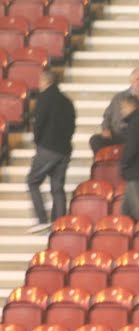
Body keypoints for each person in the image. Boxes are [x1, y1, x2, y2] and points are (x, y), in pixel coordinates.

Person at [26, 72, 75, 232]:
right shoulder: (67, 101)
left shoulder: (44, 98)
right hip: (65, 149)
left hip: (48, 148)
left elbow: (38, 123)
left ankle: (42, 220)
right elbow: (72, 126)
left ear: (45, 81)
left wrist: (38, 141)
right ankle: (60, 224)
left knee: (33, 181)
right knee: (57, 187)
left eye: (39, 80)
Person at [90, 68, 139, 153]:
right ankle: (102, 165)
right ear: (131, 81)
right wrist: (105, 128)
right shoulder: (118, 97)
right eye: (138, 79)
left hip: (134, 136)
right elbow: (107, 116)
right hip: (116, 134)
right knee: (95, 140)